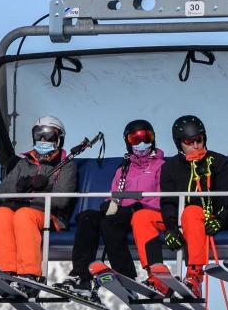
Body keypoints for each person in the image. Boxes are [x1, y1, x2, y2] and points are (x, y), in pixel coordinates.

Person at [61, 119, 166, 296]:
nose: (141, 144)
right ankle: (82, 276)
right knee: (87, 217)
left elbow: (162, 197)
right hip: (120, 211)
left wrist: (137, 203)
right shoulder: (123, 168)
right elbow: (114, 192)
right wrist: (108, 203)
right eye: (135, 139)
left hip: (143, 211)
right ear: (128, 142)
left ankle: (126, 275)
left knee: (111, 221)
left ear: (153, 139)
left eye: (146, 138)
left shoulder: (160, 166)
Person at [0, 116, 79, 278]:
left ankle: (29, 272)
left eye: (50, 135)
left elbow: (62, 200)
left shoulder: (66, 166)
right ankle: (5, 269)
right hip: (20, 210)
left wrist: (38, 194)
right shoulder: (24, 164)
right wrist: (22, 186)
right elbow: (1, 192)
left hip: (50, 216)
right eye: (39, 135)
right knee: (1, 214)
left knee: (24, 215)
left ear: (59, 139)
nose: (43, 140)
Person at [159, 115, 228, 296]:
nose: (195, 145)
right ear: (179, 143)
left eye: (199, 140)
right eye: (189, 141)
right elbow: (168, 201)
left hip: (205, 217)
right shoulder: (169, 167)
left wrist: (219, 218)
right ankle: (155, 277)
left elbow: (227, 196)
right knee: (142, 218)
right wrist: (170, 227)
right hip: (178, 219)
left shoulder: (218, 162)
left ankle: (195, 275)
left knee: (191, 212)